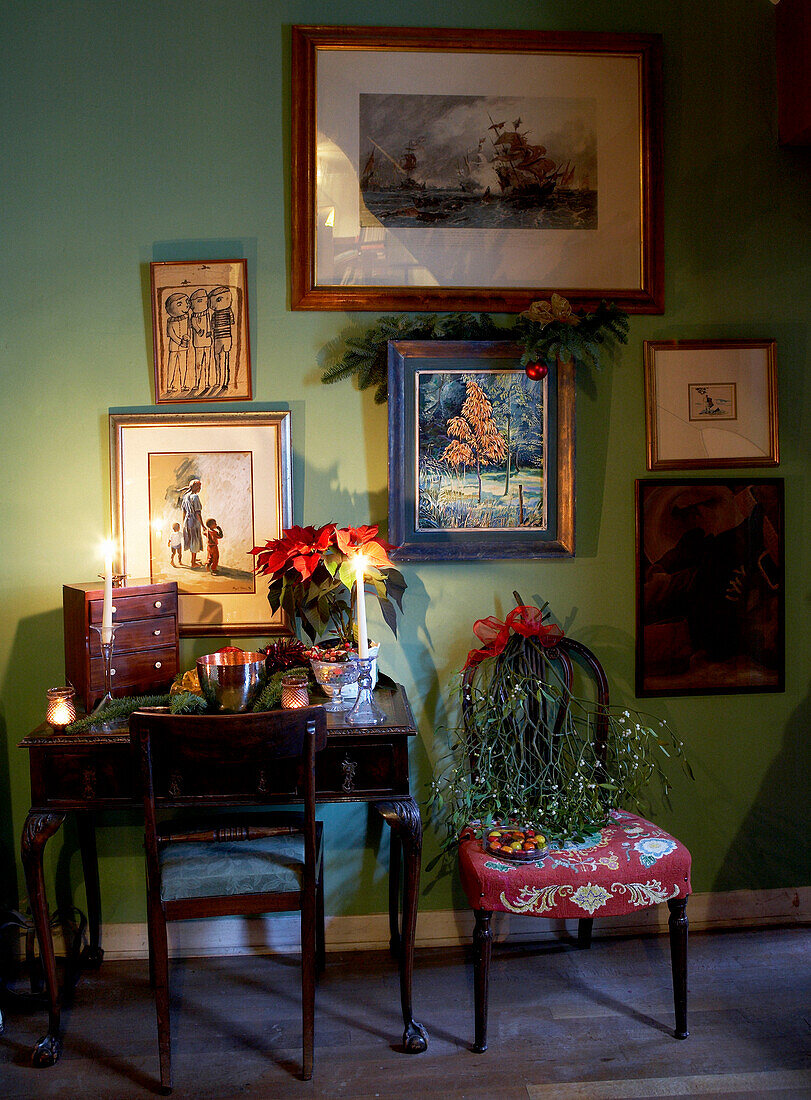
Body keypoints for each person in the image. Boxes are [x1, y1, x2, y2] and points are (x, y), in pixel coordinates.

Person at [180, 478, 204, 567]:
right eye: (199, 486)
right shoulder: (195, 497)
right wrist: (203, 525)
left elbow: (184, 511)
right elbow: (198, 513)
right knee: (195, 540)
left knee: (191, 539)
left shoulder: (185, 496)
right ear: (195, 487)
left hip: (187, 521)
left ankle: (193, 559)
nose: (200, 488)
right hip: (194, 521)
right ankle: (193, 563)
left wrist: (184, 522)